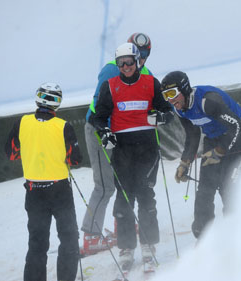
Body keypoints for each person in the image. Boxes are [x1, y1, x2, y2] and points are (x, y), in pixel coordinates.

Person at [93, 42, 174, 267]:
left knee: (146, 194)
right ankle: (126, 248)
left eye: (129, 62)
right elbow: (97, 117)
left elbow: (168, 111)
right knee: (124, 197)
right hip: (122, 146)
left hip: (147, 144)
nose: (126, 67)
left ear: (138, 61)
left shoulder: (151, 82)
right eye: (121, 63)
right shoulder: (109, 86)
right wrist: (105, 132)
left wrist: (162, 117)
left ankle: (148, 244)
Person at [81, 33, 153, 256]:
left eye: (144, 54)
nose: (138, 59)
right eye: (136, 52)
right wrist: (107, 132)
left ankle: (124, 225)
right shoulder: (112, 69)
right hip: (100, 131)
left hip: (125, 136)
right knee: (105, 185)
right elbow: (97, 110)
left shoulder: (145, 74)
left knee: (126, 182)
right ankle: (91, 237)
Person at [5, 83, 82, 281]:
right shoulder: (63, 125)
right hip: (59, 191)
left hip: (34, 191)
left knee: (37, 244)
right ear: (57, 103)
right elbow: (75, 159)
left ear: (38, 99)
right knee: (69, 239)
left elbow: (11, 154)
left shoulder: (22, 123)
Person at [161, 71, 241, 239]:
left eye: (172, 93)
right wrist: (185, 163)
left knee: (228, 187)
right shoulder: (180, 109)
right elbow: (193, 135)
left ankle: (238, 236)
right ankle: (203, 238)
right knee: (205, 189)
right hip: (214, 140)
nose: (170, 99)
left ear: (184, 89)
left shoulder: (207, 101)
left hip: (239, 136)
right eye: (165, 95)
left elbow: (237, 128)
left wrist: (219, 152)